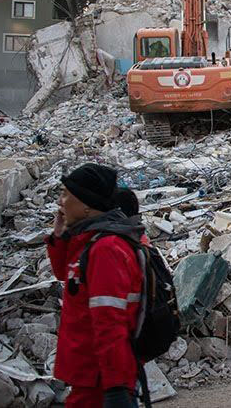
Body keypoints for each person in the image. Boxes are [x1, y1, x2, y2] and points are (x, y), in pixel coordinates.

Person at [45, 163, 145, 407]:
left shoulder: (106, 250)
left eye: (66, 195)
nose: (60, 202)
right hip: (90, 374)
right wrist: (60, 237)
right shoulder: (88, 240)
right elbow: (68, 277)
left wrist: (116, 387)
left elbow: (110, 322)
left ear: (86, 206)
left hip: (99, 376)